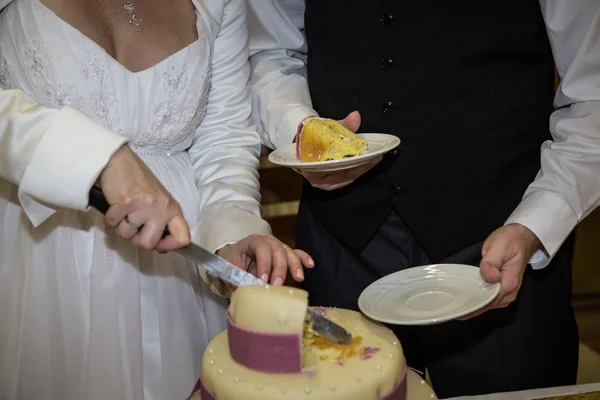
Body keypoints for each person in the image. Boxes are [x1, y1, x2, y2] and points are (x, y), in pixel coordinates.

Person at [248, 1, 600, 398]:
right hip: (341, 238)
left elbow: (593, 96)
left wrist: (537, 224)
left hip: (503, 240)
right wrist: (303, 134)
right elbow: (271, 52)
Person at [0, 0, 313, 399]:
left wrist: (232, 230)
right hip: (42, 258)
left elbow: (223, 137)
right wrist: (98, 157)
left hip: (183, 269)